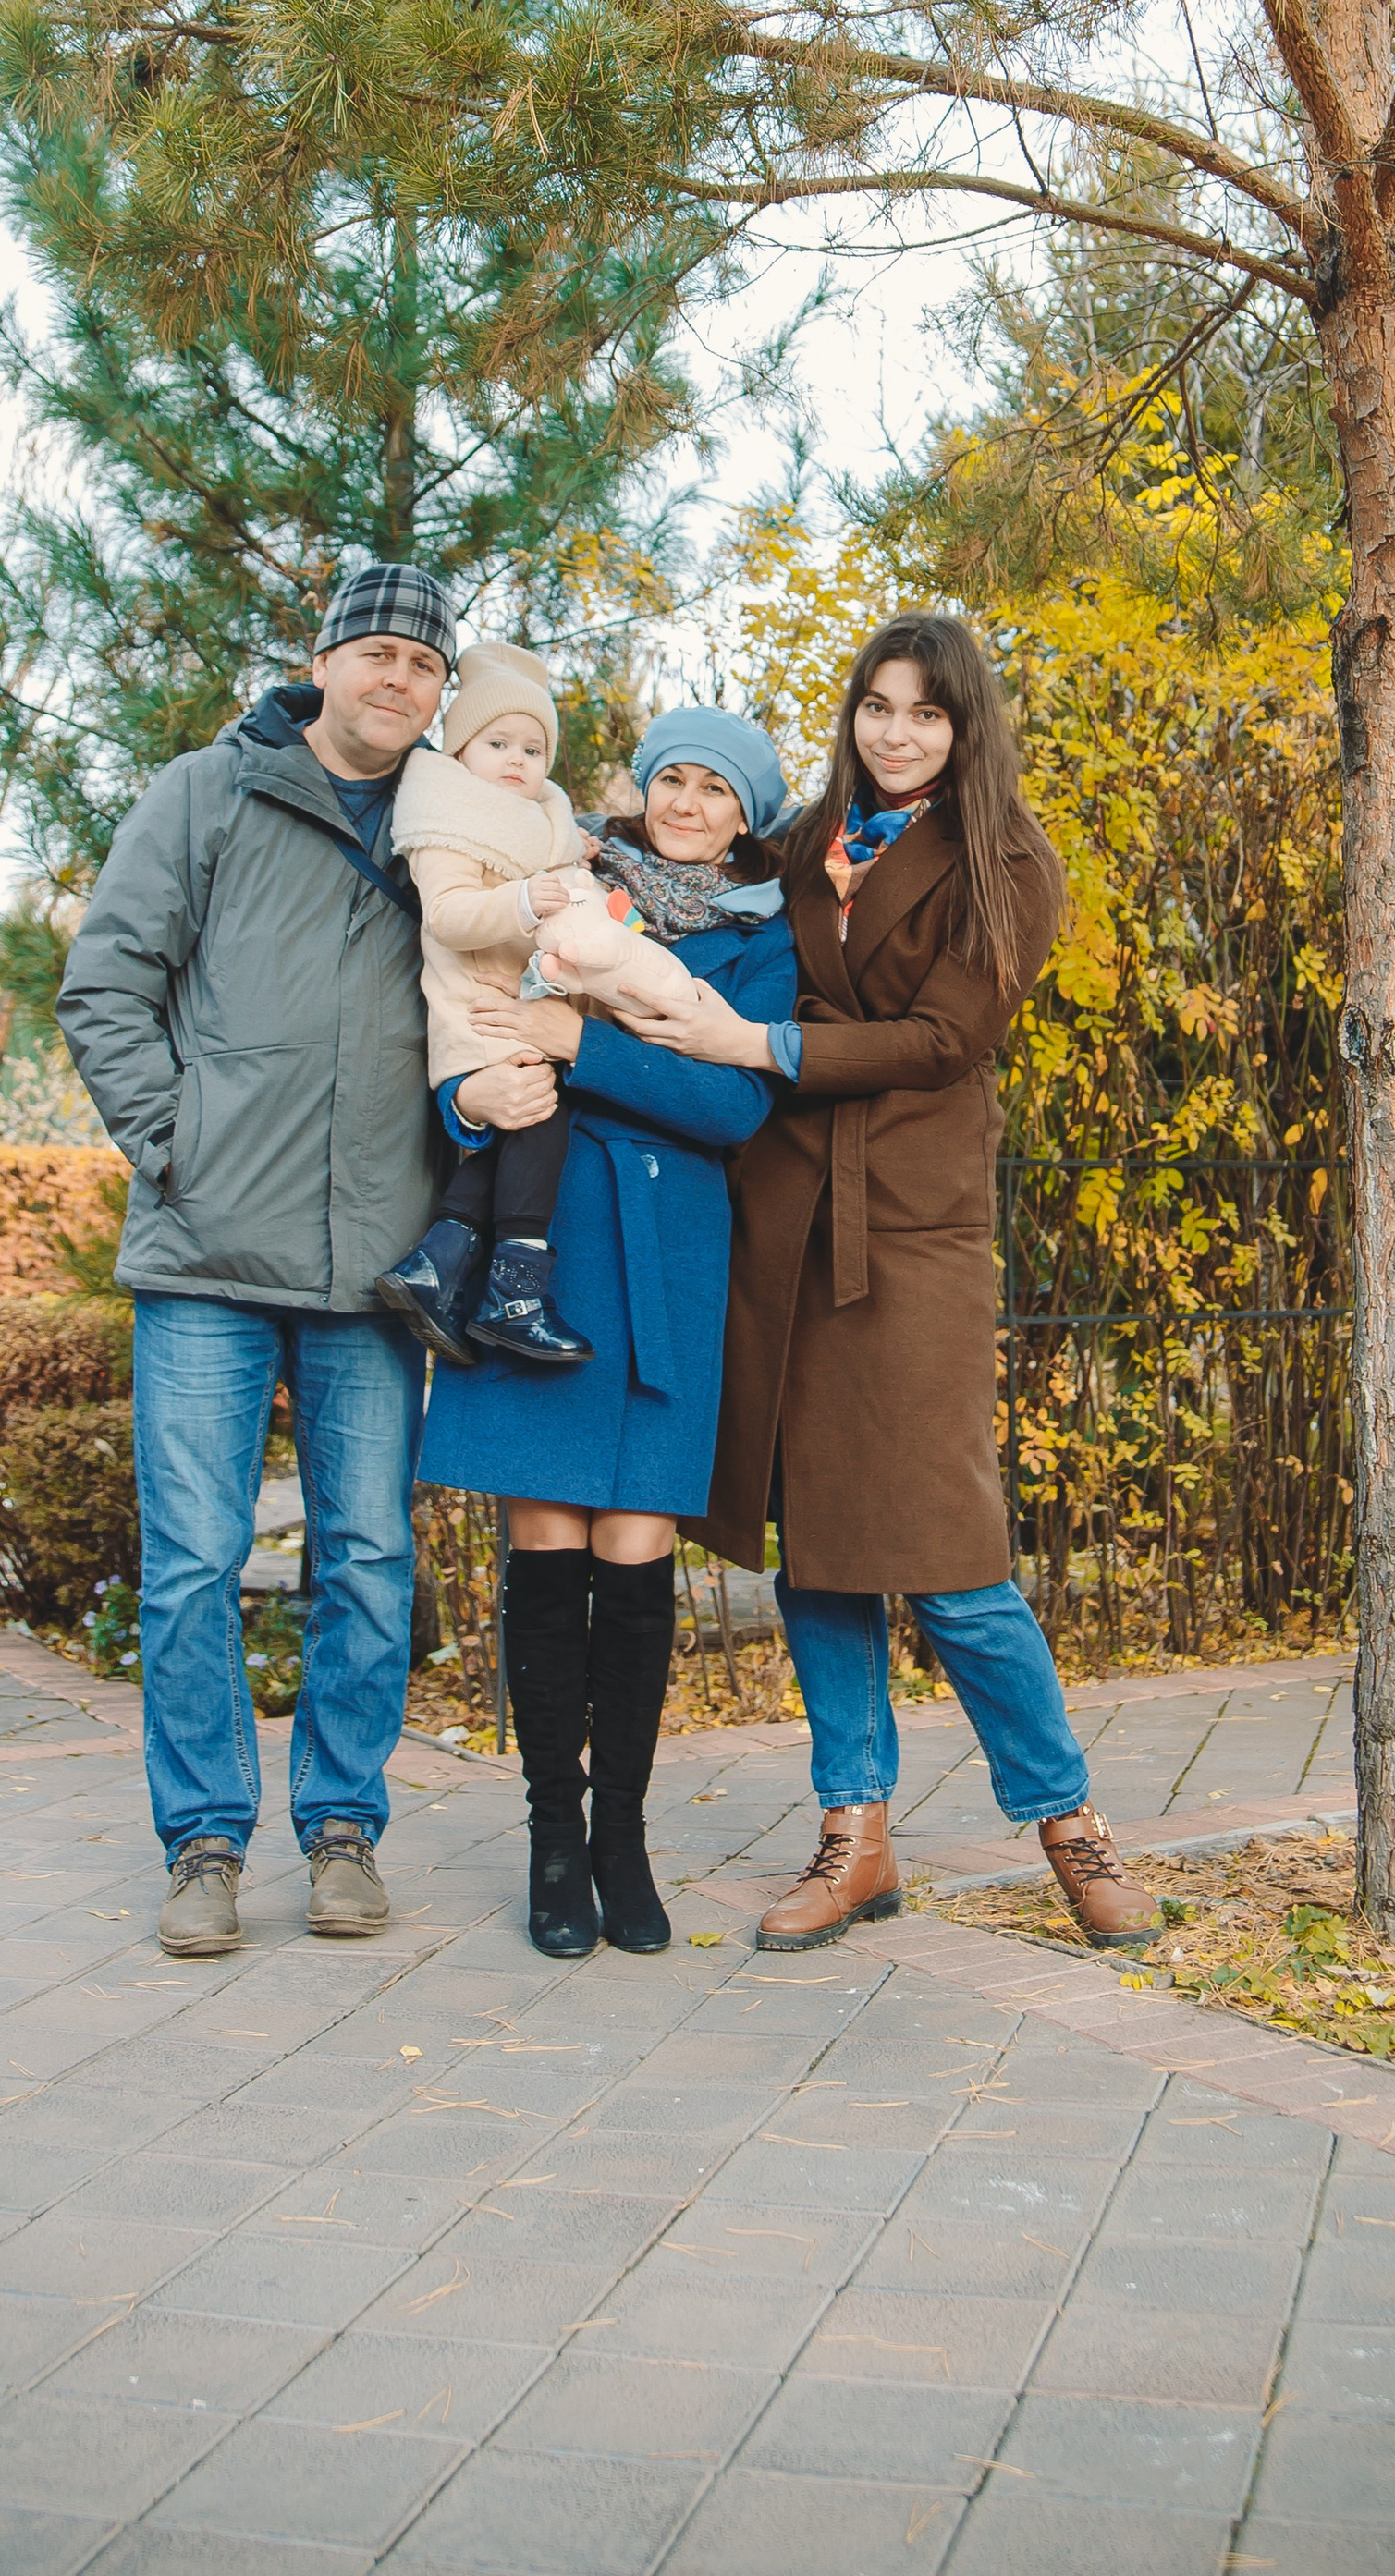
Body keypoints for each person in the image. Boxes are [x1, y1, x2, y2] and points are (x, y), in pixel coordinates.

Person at [615, 617, 1159, 1954]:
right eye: (876, 706)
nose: (896, 732)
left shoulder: (1007, 859)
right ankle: (854, 1836)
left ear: (964, 727)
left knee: (947, 1553)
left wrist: (764, 1042)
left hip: (911, 1227)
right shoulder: (803, 843)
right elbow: (676, 876)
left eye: (925, 712)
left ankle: (1070, 1826)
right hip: (782, 1222)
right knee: (821, 1548)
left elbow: (944, 1038)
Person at [57, 562, 456, 1960]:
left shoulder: (450, 822)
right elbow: (106, 983)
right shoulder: (204, 793)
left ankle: (343, 1828)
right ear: (323, 660)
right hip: (207, 1255)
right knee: (191, 1564)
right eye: (376, 651)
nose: (398, 678)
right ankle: (205, 1843)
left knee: (370, 1563)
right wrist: (177, 1147)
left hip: (374, 1264)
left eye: (425, 662)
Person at [421, 707, 798, 1960]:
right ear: (642, 787)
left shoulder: (762, 937)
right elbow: (469, 1008)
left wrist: (580, 1042)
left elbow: (733, 1105)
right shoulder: (562, 877)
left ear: (747, 814)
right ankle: (551, 1837)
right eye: (670, 779)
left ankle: (621, 1840)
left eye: (715, 789)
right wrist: (470, 1096)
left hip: (669, 1265)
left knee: (636, 1557)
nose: (686, 804)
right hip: (547, 1248)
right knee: (545, 1549)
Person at [375, 641, 598, 1371]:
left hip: (515, 1012)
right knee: (541, 1121)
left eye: (533, 749)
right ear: (460, 749)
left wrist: (572, 867)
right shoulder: (448, 821)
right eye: (497, 743)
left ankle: (437, 1263)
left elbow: (550, 875)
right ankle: (514, 1293)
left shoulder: (533, 826)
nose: (516, 761)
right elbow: (448, 917)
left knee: (520, 1130)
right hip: (476, 1015)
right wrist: (525, 899)